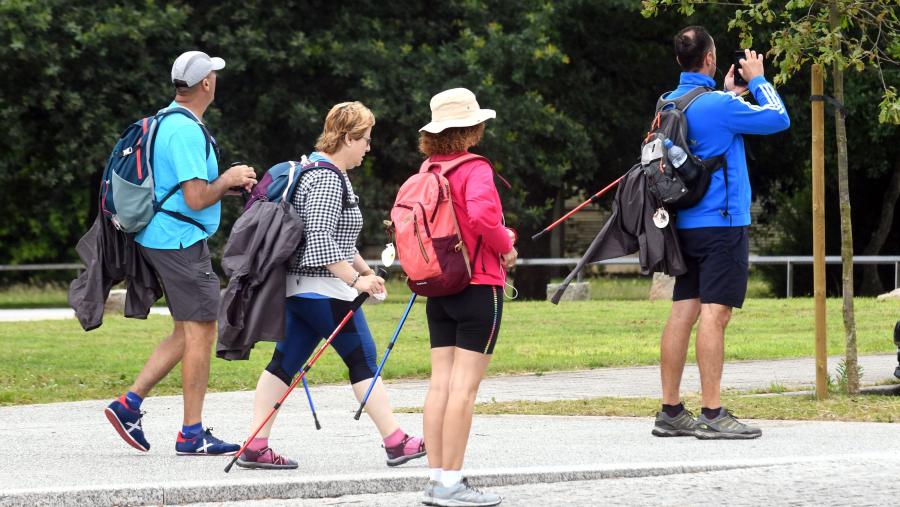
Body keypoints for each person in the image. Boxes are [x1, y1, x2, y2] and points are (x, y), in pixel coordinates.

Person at [235, 101, 426, 470]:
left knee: (284, 363)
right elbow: (320, 241)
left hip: (301, 289)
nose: (369, 148)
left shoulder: (319, 171)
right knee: (363, 360)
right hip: (323, 291)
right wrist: (357, 281)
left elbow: (336, 239)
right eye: (366, 140)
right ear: (348, 137)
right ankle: (396, 441)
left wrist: (366, 271)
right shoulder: (325, 178)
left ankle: (255, 446)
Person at [104, 51, 257, 455]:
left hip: (162, 236)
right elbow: (195, 196)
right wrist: (228, 179)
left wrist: (224, 184)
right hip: (179, 240)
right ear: (205, 83)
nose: (216, 80)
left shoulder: (166, 119)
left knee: (187, 329)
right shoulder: (186, 131)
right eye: (214, 75)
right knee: (204, 330)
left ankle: (128, 403)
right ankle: (191, 432)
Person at [654, 27, 790, 440]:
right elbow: (778, 119)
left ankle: (671, 410)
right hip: (722, 224)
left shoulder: (668, 102)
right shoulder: (717, 105)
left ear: (681, 61)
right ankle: (712, 415)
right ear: (710, 59)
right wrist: (759, 79)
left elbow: (705, 128)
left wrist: (731, 92)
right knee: (716, 314)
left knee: (683, 312)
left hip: (683, 225)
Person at [418, 88, 516, 507]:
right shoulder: (475, 169)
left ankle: (437, 478)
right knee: (464, 389)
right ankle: (452, 485)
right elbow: (481, 215)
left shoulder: (427, 168)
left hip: (438, 287)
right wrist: (505, 243)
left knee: (440, 384)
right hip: (478, 286)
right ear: (471, 129)